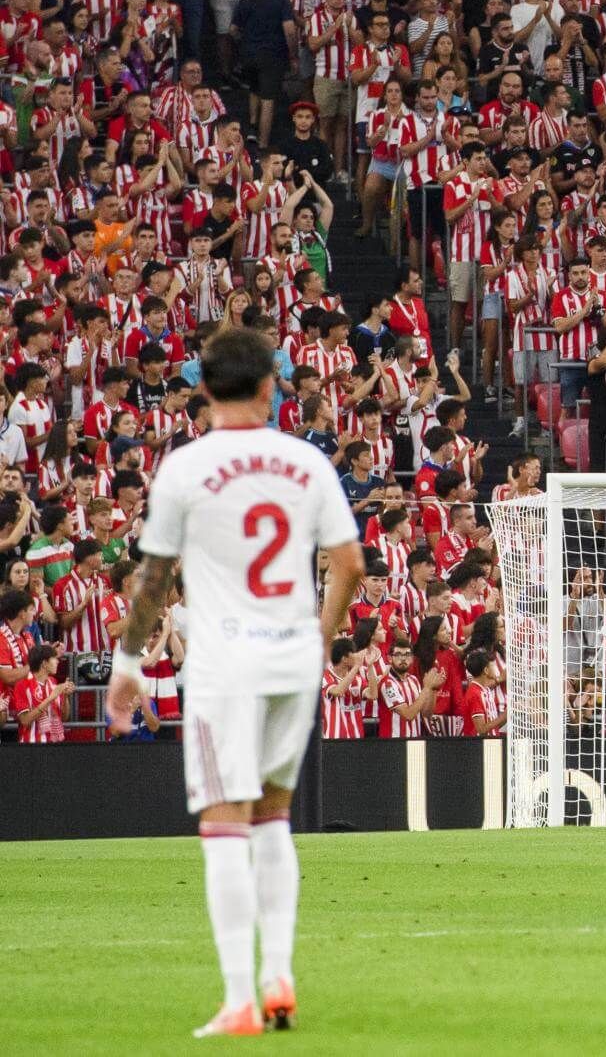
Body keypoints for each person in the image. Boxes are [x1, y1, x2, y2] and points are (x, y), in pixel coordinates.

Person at [105, 328, 364, 1038]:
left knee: (223, 822)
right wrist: (322, 636)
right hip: (292, 660)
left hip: (224, 665)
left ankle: (239, 998)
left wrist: (127, 668)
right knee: (274, 817)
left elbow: (153, 579)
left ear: (205, 389)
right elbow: (349, 562)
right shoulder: (304, 461)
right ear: (267, 388)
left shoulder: (185, 469)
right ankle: (280, 972)